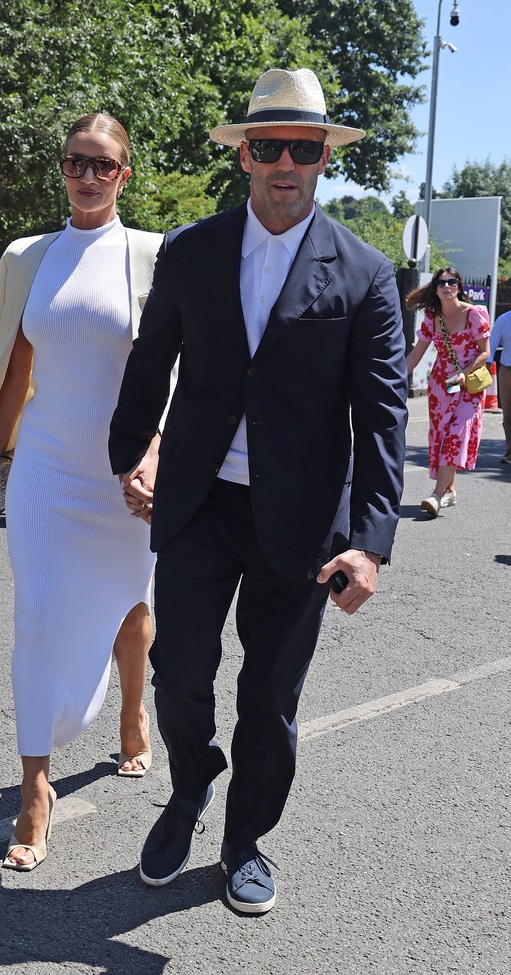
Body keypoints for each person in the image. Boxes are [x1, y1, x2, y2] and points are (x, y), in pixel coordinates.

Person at [109, 67, 408, 914]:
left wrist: (371, 540)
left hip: (304, 521)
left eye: (304, 148)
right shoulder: (191, 251)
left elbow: (382, 418)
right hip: (200, 501)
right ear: (244, 155)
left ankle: (245, 839)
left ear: (323, 159)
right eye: (269, 145)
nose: (286, 162)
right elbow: (151, 360)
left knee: (270, 699)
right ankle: (190, 785)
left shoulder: (364, 274)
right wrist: (131, 452)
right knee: (178, 674)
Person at [0, 112, 162, 871]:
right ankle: (35, 788)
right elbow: (12, 363)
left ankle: (132, 710)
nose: (86, 175)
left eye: (103, 164)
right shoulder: (27, 257)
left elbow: (166, 372)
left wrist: (157, 456)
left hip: (121, 474)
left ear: (124, 175)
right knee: (38, 616)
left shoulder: (150, 255)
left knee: (131, 606)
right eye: (76, 161)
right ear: (62, 167)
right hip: (45, 468)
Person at [406, 267, 491, 516]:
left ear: (459, 286)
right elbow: (416, 355)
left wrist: (465, 371)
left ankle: (436, 494)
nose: (447, 285)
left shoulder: (474, 314)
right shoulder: (433, 317)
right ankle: (450, 491)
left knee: (455, 436)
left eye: (451, 281)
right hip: (441, 386)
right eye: (441, 282)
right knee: (442, 438)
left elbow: (485, 352)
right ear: (436, 288)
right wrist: (394, 377)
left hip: (468, 388)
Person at [487, 308, 511, 463]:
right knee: (508, 416)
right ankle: (510, 449)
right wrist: (486, 365)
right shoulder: (503, 319)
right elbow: (491, 345)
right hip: (507, 371)